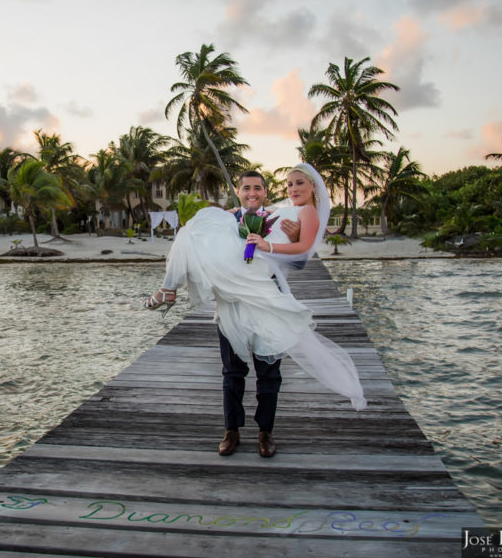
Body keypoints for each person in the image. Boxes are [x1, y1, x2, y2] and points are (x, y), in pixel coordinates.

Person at [143, 163, 366, 458]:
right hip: (232, 299)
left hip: (263, 294)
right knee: (232, 371)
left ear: (265, 192)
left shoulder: (285, 215)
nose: (252, 193)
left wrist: (283, 239)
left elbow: (299, 260)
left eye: (258, 188)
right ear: (238, 192)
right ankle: (231, 430)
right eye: (246, 188)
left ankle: (265, 432)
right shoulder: (237, 217)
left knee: (268, 373)